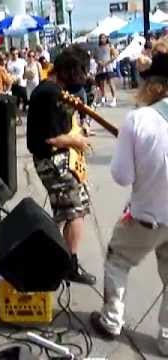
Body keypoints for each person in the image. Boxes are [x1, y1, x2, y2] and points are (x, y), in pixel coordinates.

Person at [90, 49, 168, 356]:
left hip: (145, 217)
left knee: (118, 260)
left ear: (153, 84)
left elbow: (122, 177)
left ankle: (111, 321)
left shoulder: (138, 120)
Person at [26, 45, 96, 285]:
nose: (83, 78)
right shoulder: (50, 93)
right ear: (67, 71)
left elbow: (61, 126)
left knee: (73, 212)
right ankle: (68, 266)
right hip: (53, 161)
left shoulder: (54, 90)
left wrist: (78, 130)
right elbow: (47, 138)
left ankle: (65, 261)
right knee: (74, 212)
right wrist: (75, 139)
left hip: (60, 159)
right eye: (80, 72)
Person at [95, 33, 118, 107]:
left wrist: (107, 62)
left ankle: (114, 99)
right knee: (102, 84)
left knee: (111, 83)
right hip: (100, 68)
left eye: (104, 38)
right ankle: (103, 99)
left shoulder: (110, 46)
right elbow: (95, 57)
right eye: (101, 38)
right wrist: (98, 62)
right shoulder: (97, 48)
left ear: (106, 39)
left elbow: (115, 56)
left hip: (108, 67)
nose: (102, 39)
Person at [7, 47, 28, 113]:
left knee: (25, 100)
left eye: (16, 54)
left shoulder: (22, 61)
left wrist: (25, 76)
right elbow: (8, 73)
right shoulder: (9, 63)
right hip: (14, 84)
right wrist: (12, 78)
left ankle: (25, 112)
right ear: (11, 54)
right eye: (13, 54)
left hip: (22, 84)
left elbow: (26, 69)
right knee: (16, 102)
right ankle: (17, 116)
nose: (15, 55)